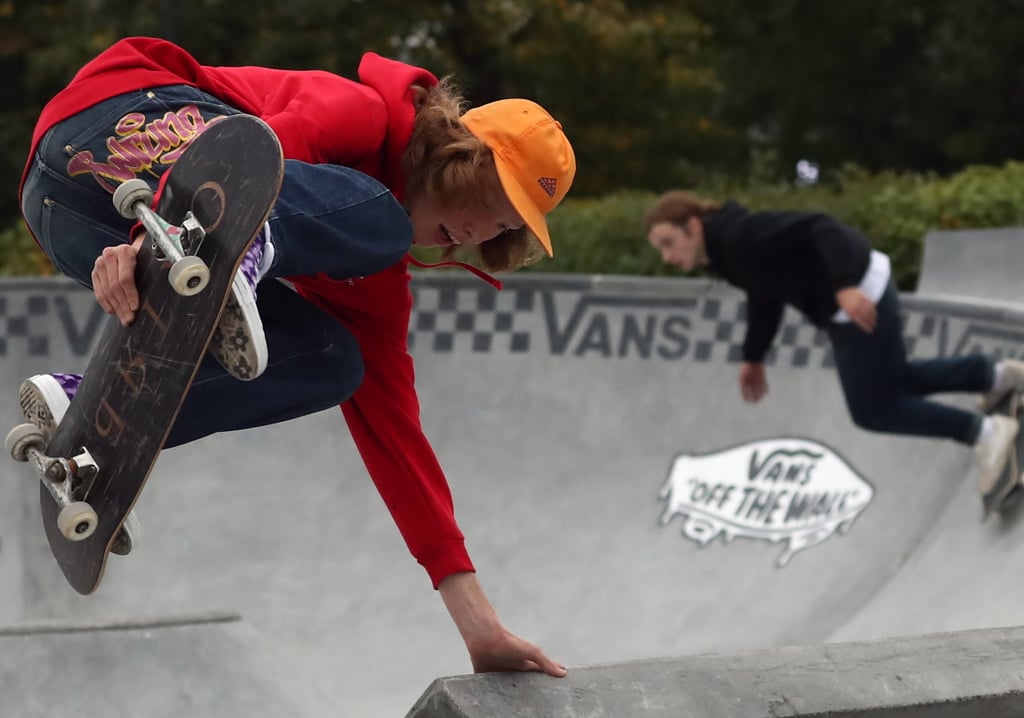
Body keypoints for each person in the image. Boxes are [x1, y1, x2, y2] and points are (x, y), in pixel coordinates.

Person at [17, 36, 576, 676]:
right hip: (115, 120)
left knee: (335, 360)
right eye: (486, 202)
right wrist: (155, 232)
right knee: (383, 222)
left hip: (71, 223)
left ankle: (93, 411)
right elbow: (249, 156)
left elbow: (398, 439)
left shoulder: (375, 288)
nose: (480, 232)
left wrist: (479, 627)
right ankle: (234, 247)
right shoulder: (363, 112)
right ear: (454, 158)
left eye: (503, 229)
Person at [643, 190, 1024, 498]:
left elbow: (820, 228)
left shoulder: (740, 236)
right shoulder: (727, 254)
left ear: (693, 225)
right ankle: (995, 376)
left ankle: (986, 433)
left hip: (859, 299)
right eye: (660, 249)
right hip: (857, 296)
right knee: (896, 381)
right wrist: (754, 356)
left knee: (873, 409)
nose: (667, 256)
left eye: (669, 243)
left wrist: (844, 286)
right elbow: (764, 295)